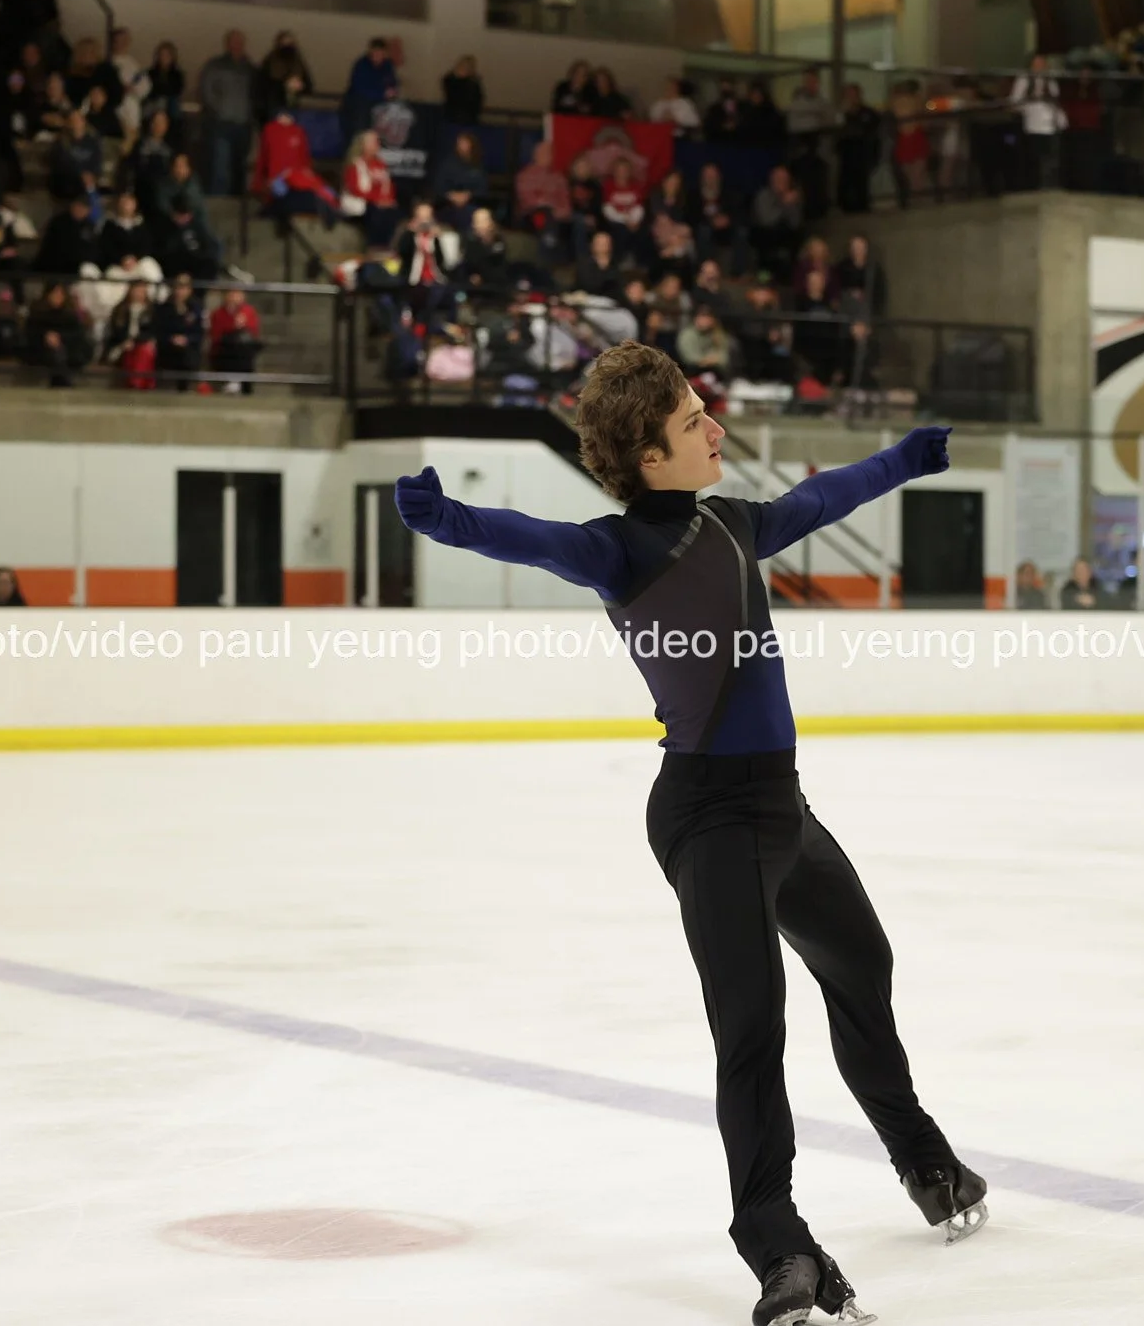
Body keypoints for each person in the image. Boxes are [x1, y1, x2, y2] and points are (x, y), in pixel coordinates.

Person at [391, 341, 986, 1326]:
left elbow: (820, 498)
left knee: (860, 963)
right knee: (751, 1029)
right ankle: (776, 1244)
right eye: (691, 421)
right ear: (651, 459)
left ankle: (925, 1162)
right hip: (708, 820)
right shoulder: (617, 550)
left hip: (781, 810)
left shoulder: (733, 521)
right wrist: (446, 518)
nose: (715, 427)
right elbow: (527, 536)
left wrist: (902, 460)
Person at [198, 30, 258, 198]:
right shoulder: (214, 65)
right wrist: (218, 109)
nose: (237, 45)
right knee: (220, 167)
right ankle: (218, 203)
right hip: (221, 124)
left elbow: (257, 95)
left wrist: (251, 115)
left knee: (240, 166)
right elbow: (206, 90)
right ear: (227, 44)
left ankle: (237, 204)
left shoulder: (251, 69)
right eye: (233, 41)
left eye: (240, 42)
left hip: (243, 125)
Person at [1009, 55, 1066, 190]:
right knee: (1033, 157)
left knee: (1049, 157)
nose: (1040, 67)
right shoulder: (1024, 79)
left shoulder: (1050, 81)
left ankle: (1049, 184)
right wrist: (1029, 105)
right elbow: (1015, 101)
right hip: (1031, 124)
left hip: (1050, 124)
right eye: (1036, 64)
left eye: (1042, 64)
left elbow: (1055, 100)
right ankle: (1032, 185)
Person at [341, 36, 400, 142]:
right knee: (360, 129)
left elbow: (393, 83)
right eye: (375, 52)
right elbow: (359, 88)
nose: (377, 56)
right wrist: (382, 93)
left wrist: (392, 91)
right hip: (359, 106)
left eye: (380, 53)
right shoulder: (361, 65)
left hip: (379, 106)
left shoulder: (387, 65)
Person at [835, 85, 881, 213]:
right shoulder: (841, 114)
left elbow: (874, 128)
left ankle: (863, 204)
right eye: (848, 95)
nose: (852, 98)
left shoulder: (868, 112)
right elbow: (837, 130)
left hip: (862, 150)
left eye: (854, 94)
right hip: (847, 151)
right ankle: (847, 206)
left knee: (861, 179)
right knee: (847, 179)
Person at [208, 287, 262, 393]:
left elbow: (254, 333)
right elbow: (215, 336)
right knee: (233, 342)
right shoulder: (218, 313)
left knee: (246, 346)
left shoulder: (249, 311)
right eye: (232, 294)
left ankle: (242, 385)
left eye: (238, 294)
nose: (234, 298)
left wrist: (243, 326)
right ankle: (233, 381)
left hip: (243, 351)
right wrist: (233, 326)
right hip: (224, 349)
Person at [260, 30, 313, 115]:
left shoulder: (298, 62)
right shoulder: (270, 61)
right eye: (284, 43)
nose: (287, 45)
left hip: (293, 106)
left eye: (290, 43)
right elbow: (262, 85)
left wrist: (300, 86)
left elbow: (308, 86)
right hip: (273, 106)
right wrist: (284, 84)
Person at [441, 55, 483, 125]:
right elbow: (452, 96)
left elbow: (476, 102)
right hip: (452, 118)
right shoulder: (450, 80)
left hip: (469, 119)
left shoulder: (473, 84)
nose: (464, 69)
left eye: (468, 67)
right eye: (462, 66)